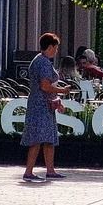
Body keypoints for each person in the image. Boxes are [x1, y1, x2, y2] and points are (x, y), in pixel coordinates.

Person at [21, 33, 68, 182]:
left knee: (48, 138)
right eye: (55, 47)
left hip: (42, 103)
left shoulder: (39, 60)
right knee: (39, 138)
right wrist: (62, 91)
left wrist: (56, 100)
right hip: (41, 104)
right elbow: (45, 85)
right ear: (50, 47)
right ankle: (29, 171)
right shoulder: (44, 63)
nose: (56, 50)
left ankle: (49, 170)